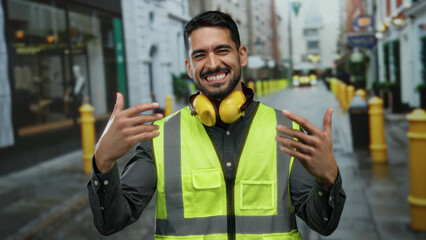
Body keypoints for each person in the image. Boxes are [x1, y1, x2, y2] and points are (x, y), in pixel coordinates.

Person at [88, 11, 346, 240]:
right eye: (200, 55)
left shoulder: (285, 129)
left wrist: (327, 180)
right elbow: (112, 222)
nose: (212, 64)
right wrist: (103, 164)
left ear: (241, 55)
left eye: (222, 50)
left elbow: (321, 225)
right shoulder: (159, 137)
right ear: (189, 67)